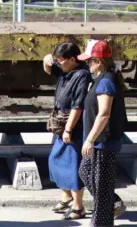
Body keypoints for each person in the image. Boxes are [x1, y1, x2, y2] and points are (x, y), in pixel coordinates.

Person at [77, 40, 128, 226]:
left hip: (103, 142)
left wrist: (89, 140)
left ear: (98, 61)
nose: (87, 64)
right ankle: (113, 203)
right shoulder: (100, 80)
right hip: (99, 141)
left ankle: (101, 222)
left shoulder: (106, 82)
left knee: (102, 188)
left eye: (89, 60)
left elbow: (104, 113)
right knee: (86, 173)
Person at [43, 42, 91, 219]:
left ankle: (78, 206)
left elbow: (77, 106)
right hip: (62, 124)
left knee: (73, 165)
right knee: (56, 160)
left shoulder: (81, 75)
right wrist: (47, 60)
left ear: (72, 59)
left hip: (73, 127)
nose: (58, 63)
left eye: (60, 60)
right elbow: (49, 70)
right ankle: (67, 196)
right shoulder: (66, 71)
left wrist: (69, 130)